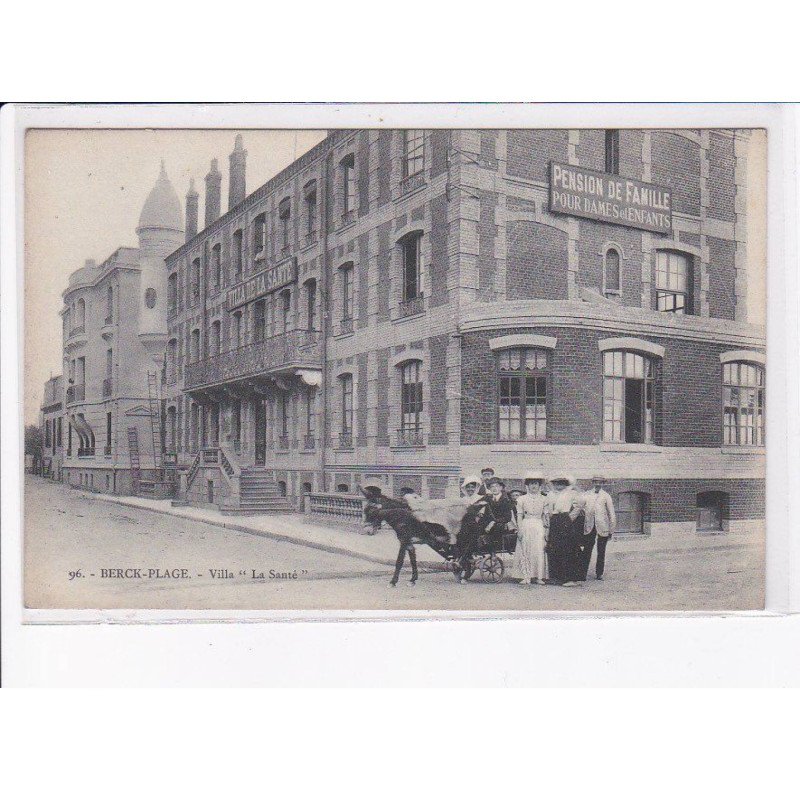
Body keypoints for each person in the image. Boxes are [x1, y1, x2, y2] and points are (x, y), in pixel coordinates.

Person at [514, 471, 550, 585]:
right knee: (525, 549)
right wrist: (519, 529)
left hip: (539, 525)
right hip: (526, 524)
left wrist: (546, 530)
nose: (533, 486)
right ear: (527, 486)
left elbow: (546, 516)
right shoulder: (521, 499)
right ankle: (526, 576)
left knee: (539, 550)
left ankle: (539, 576)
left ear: (540, 485)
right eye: (531, 484)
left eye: (536, 483)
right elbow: (519, 515)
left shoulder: (544, 499)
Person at [546, 474, 583, 586]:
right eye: (557, 483)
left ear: (566, 484)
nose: (559, 485)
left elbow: (579, 505)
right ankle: (557, 577)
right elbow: (548, 508)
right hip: (554, 520)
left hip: (565, 520)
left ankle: (569, 578)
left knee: (568, 548)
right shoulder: (550, 494)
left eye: (561, 483)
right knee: (555, 548)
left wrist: (570, 517)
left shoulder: (571, 494)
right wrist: (550, 518)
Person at [580, 476, 616, 580]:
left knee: (601, 551)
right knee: (587, 550)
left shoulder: (606, 496)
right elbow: (579, 507)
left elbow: (611, 513)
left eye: (600, 482)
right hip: (589, 526)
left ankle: (599, 573)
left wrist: (611, 530)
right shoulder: (586, 495)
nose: (598, 484)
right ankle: (582, 574)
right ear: (592, 483)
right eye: (596, 482)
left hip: (603, 526)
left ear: (603, 484)